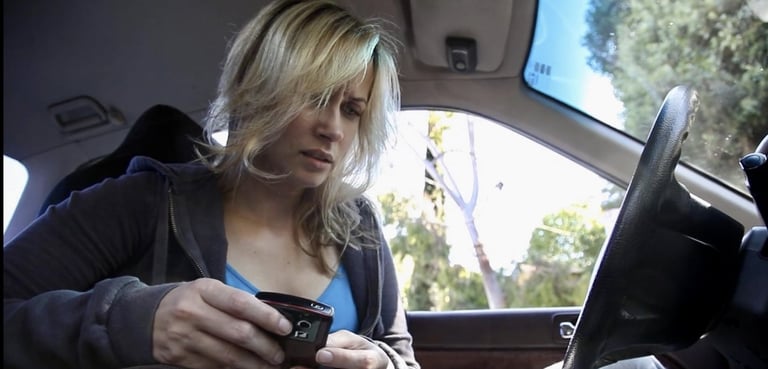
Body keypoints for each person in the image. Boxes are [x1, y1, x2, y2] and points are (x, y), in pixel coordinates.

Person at [3, 1, 416, 368]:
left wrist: (383, 362)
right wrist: (133, 323)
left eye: (352, 110)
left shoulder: (361, 229)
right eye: (314, 97)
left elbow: (402, 355)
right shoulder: (143, 201)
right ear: (258, 89)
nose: (333, 129)